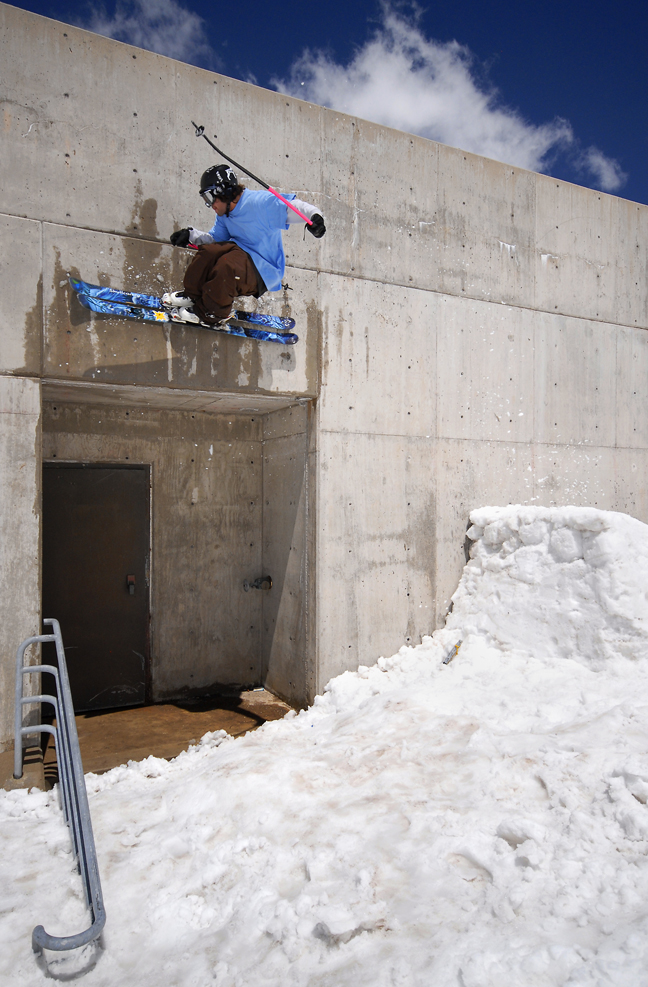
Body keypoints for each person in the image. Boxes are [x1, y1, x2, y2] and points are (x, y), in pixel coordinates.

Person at [165, 164, 326, 325]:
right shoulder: (224, 215)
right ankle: (193, 295)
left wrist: (315, 216)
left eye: (209, 198)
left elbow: (292, 207)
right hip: (240, 256)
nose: (210, 205)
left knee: (226, 266)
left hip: (263, 269)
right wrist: (190, 236)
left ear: (223, 192)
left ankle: (212, 314)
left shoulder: (259, 203)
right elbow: (215, 242)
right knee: (209, 252)